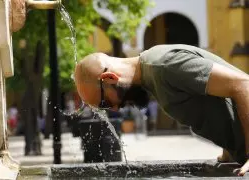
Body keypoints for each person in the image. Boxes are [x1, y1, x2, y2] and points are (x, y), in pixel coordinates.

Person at [74, 44, 249, 176]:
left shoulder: (164, 66)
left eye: (104, 103)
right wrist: (230, 149)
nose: (113, 109)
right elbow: (217, 100)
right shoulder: (152, 77)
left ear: (110, 78)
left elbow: (242, 84)